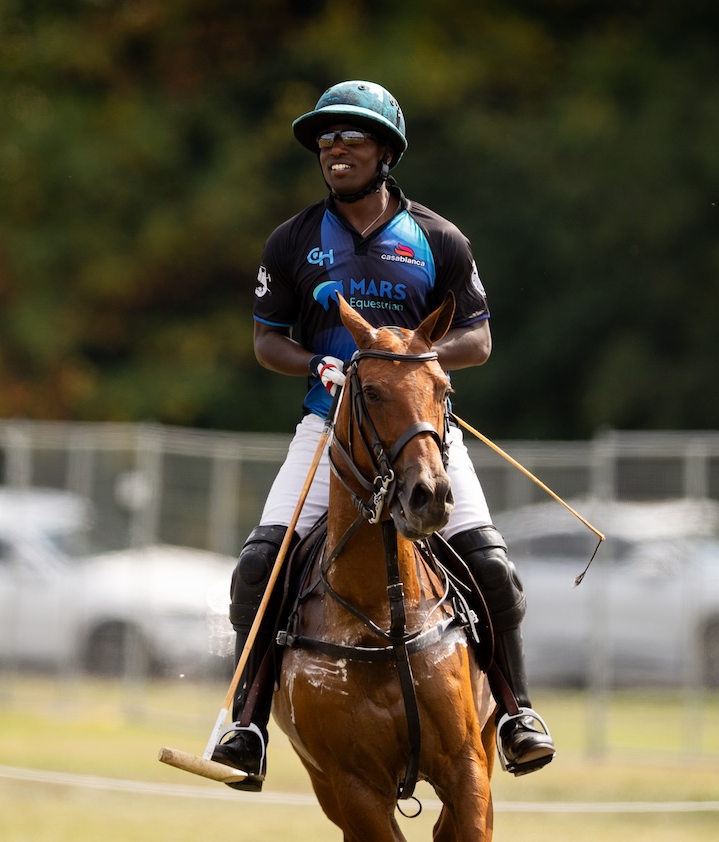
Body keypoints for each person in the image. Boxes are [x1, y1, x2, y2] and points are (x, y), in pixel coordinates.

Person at [211, 80, 555, 791]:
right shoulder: (294, 240)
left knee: (492, 570)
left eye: (354, 136)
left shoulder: (437, 239)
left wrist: (408, 358)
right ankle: (244, 723)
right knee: (259, 568)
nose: (337, 148)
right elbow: (266, 342)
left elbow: (479, 339)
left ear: (386, 151)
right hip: (328, 428)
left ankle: (519, 713)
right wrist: (318, 362)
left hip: (421, 430)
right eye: (327, 138)